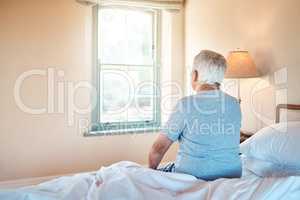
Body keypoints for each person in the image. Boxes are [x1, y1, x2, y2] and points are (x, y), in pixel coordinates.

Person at [148, 50, 242, 181]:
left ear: (195, 75)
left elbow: (159, 147)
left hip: (192, 175)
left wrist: (150, 173)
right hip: (232, 174)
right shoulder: (235, 104)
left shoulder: (185, 105)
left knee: (159, 172)